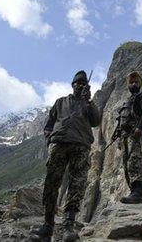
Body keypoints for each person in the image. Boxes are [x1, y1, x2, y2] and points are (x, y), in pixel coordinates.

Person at [33, 70, 100, 242]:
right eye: (78, 83)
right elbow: (49, 124)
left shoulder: (88, 104)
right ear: (72, 85)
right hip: (60, 143)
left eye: (83, 83)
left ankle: (69, 224)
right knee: (52, 181)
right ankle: (48, 224)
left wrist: (89, 101)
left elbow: (96, 121)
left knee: (77, 183)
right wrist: (49, 139)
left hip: (81, 145)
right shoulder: (61, 102)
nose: (80, 85)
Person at [118, 71, 142, 204]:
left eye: (136, 82)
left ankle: (138, 192)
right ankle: (133, 191)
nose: (134, 84)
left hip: (135, 135)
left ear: (140, 84)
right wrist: (117, 136)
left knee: (135, 161)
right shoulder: (126, 103)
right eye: (131, 82)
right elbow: (121, 121)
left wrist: (140, 127)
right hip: (125, 137)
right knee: (127, 165)